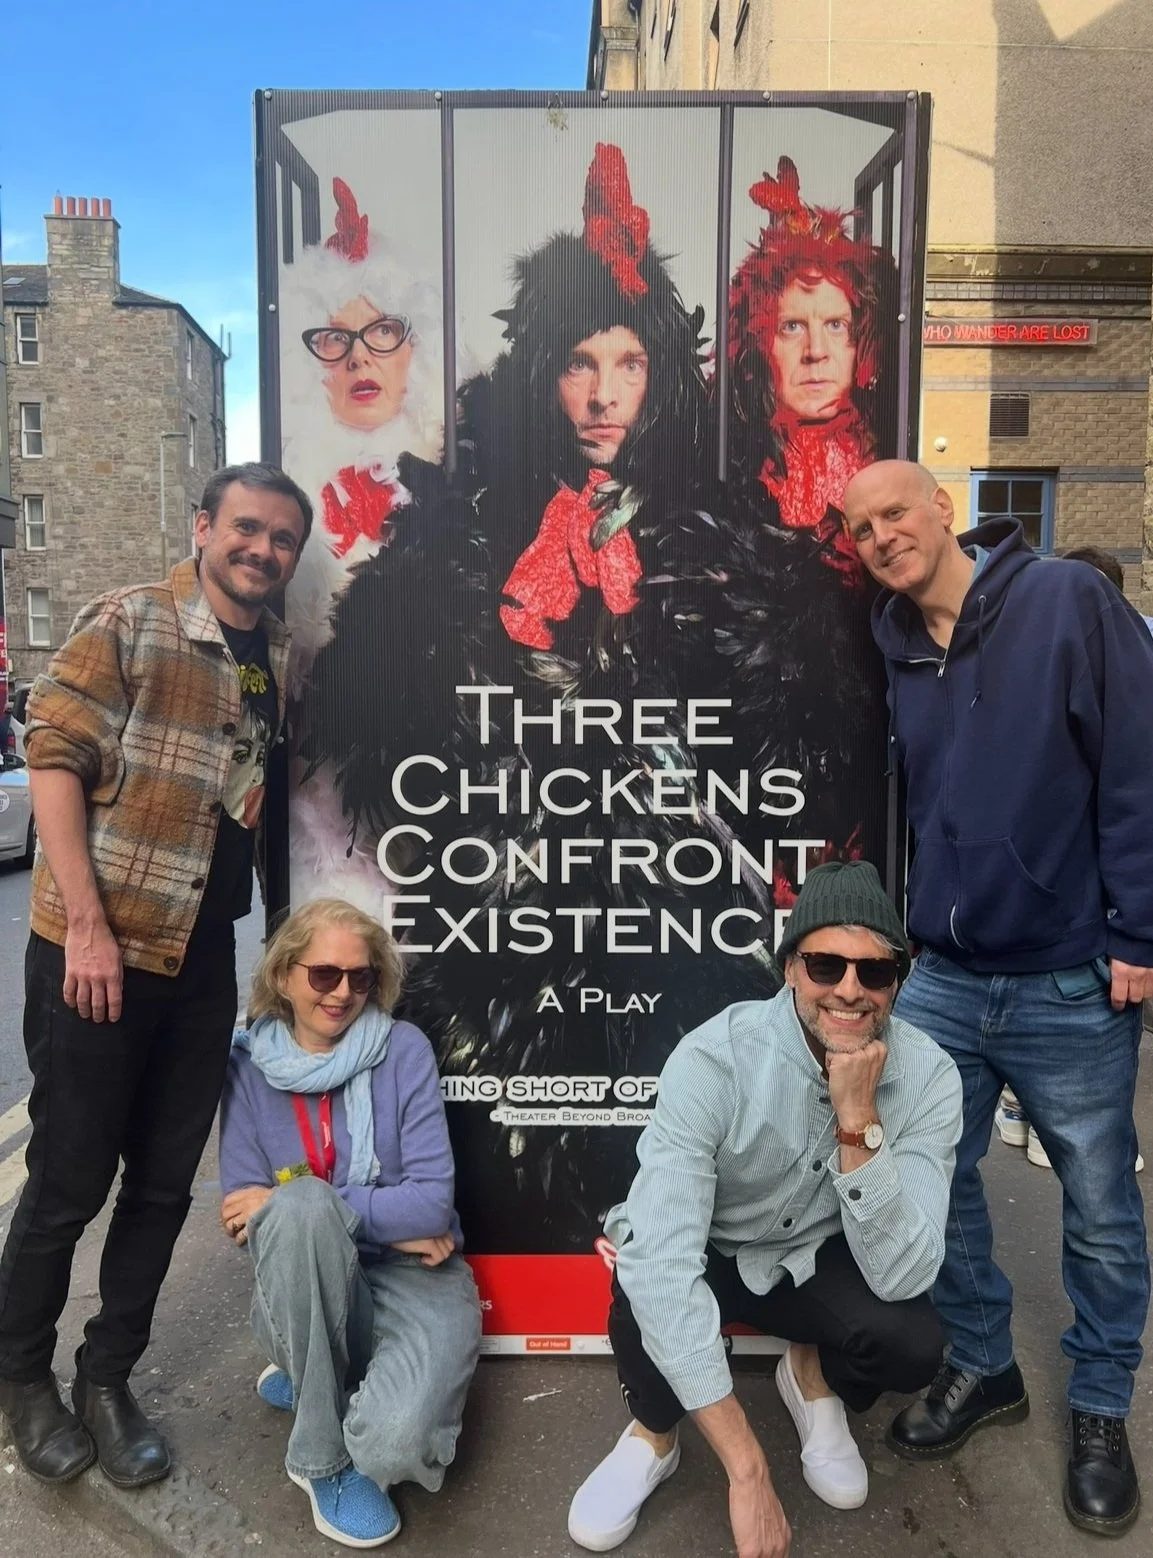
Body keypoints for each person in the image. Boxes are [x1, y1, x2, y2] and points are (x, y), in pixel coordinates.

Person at [301, 141, 773, 1252]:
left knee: (672, 1123)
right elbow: (376, 713)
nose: (603, 394)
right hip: (505, 893)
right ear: (540, 375)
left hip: (666, 898)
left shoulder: (709, 528)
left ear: (661, 374)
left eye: (627, 362)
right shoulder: (473, 517)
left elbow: (757, 740)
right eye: (576, 363)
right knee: (507, 1140)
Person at [843, 459, 1153, 1537]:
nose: (880, 536)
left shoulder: (1065, 599)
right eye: (860, 529)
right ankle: (985, 1363)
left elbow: (1137, 765)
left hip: (1070, 976)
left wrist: (1137, 929)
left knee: (1100, 1208)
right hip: (945, 975)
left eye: (894, 512)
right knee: (934, 1178)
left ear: (942, 507)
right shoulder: (894, 644)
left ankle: (1101, 1406)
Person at [0, 463, 310, 1492]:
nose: (262, 550)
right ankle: (21, 1376)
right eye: (247, 528)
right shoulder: (132, 619)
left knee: (165, 1186)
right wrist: (86, 926)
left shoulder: (276, 654)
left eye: (282, 539)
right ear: (204, 526)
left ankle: (106, 1377)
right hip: (99, 955)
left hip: (202, 958)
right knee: (66, 1182)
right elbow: (54, 753)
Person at [567, 860, 963, 1555]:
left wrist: (858, 1122)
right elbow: (663, 1264)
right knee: (643, 1281)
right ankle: (654, 1436)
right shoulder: (714, 1060)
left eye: (874, 972)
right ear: (789, 970)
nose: (850, 990)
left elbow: (906, 1274)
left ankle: (809, 1375)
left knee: (912, 1345)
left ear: (897, 980)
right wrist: (748, 1469)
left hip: (816, 1255)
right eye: (825, 965)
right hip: (713, 1247)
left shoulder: (928, 1076)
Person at [219, 897, 480, 1549]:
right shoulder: (246, 1066)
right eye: (323, 974)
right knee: (303, 1209)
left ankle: (318, 1378)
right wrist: (362, 1213)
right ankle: (320, 1458)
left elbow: (431, 1204)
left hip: (416, 1275)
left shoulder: (402, 1050)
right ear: (284, 975)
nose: (342, 993)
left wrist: (303, 1204)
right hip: (304, 1291)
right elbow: (244, 1218)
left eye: (359, 977)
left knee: (395, 1448)